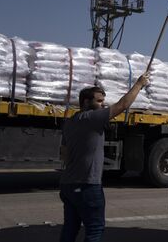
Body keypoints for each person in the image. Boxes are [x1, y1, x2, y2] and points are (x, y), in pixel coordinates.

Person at [59, 72, 149, 242]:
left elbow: (64, 154)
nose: (103, 104)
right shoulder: (92, 118)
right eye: (99, 101)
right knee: (95, 229)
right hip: (87, 185)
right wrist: (139, 84)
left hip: (68, 185)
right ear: (86, 102)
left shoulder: (70, 121)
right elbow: (122, 105)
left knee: (70, 228)